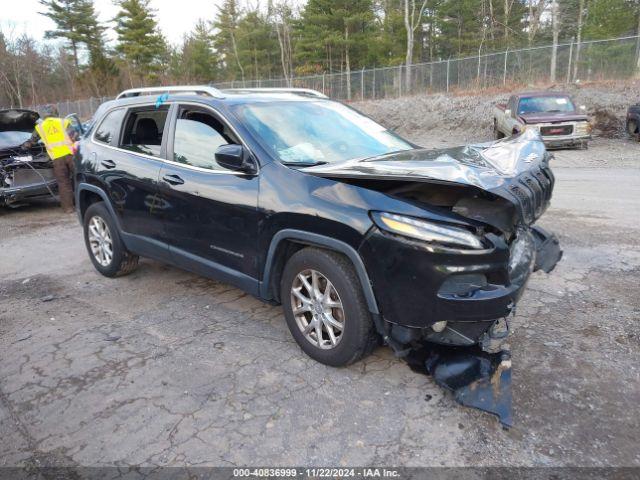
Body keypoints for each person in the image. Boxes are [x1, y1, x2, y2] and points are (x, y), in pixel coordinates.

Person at [22, 105, 79, 213]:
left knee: (63, 183)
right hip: (71, 156)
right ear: (55, 112)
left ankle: (68, 208)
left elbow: (31, 142)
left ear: (44, 115)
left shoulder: (40, 127)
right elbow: (75, 136)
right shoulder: (63, 122)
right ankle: (83, 204)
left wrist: (24, 146)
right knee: (79, 178)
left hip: (57, 159)